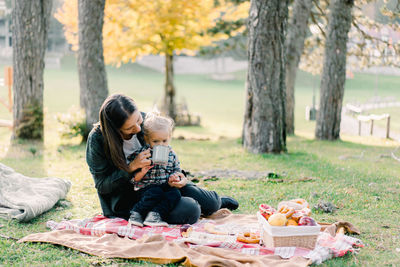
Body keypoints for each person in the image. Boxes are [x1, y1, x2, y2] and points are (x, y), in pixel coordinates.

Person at [86, 93, 239, 224]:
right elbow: (102, 185)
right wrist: (130, 167)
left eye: (138, 119)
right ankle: (196, 207)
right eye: (129, 128)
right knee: (191, 209)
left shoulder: (146, 123)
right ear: (114, 130)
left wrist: (179, 175)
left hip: (163, 182)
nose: (138, 129)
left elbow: (166, 149)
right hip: (131, 198)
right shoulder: (98, 140)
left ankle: (217, 202)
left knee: (210, 202)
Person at [127, 112, 181, 227]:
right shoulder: (141, 155)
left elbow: (177, 170)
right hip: (147, 188)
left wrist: (175, 177)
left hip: (165, 186)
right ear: (147, 139)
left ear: (169, 137)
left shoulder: (171, 154)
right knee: (155, 192)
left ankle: (155, 215)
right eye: (156, 141)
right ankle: (136, 213)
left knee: (175, 193)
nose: (161, 145)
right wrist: (142, 172)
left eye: (164, 141)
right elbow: (133, 179)